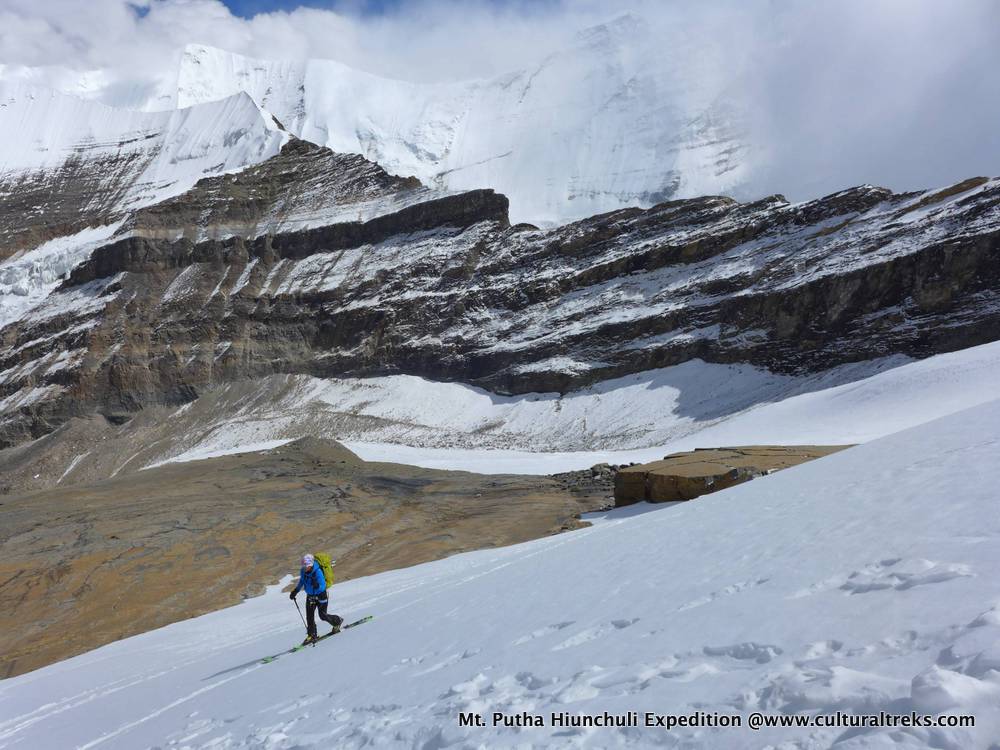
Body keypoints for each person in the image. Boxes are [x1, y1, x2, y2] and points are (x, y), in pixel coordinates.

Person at [289, 553, 343, 644]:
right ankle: (312, 635)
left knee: (322, 615)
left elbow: (323, 586)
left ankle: (337, 621)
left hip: (321, 595)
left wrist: (317, 585)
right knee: (309, 617)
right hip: (310, 596)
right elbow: (302, 581)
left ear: (311, 565)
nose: (305, 567)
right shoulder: (303, 571)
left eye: (306, 566)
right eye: (304, 565)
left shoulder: (317, 571)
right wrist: (296, 591)